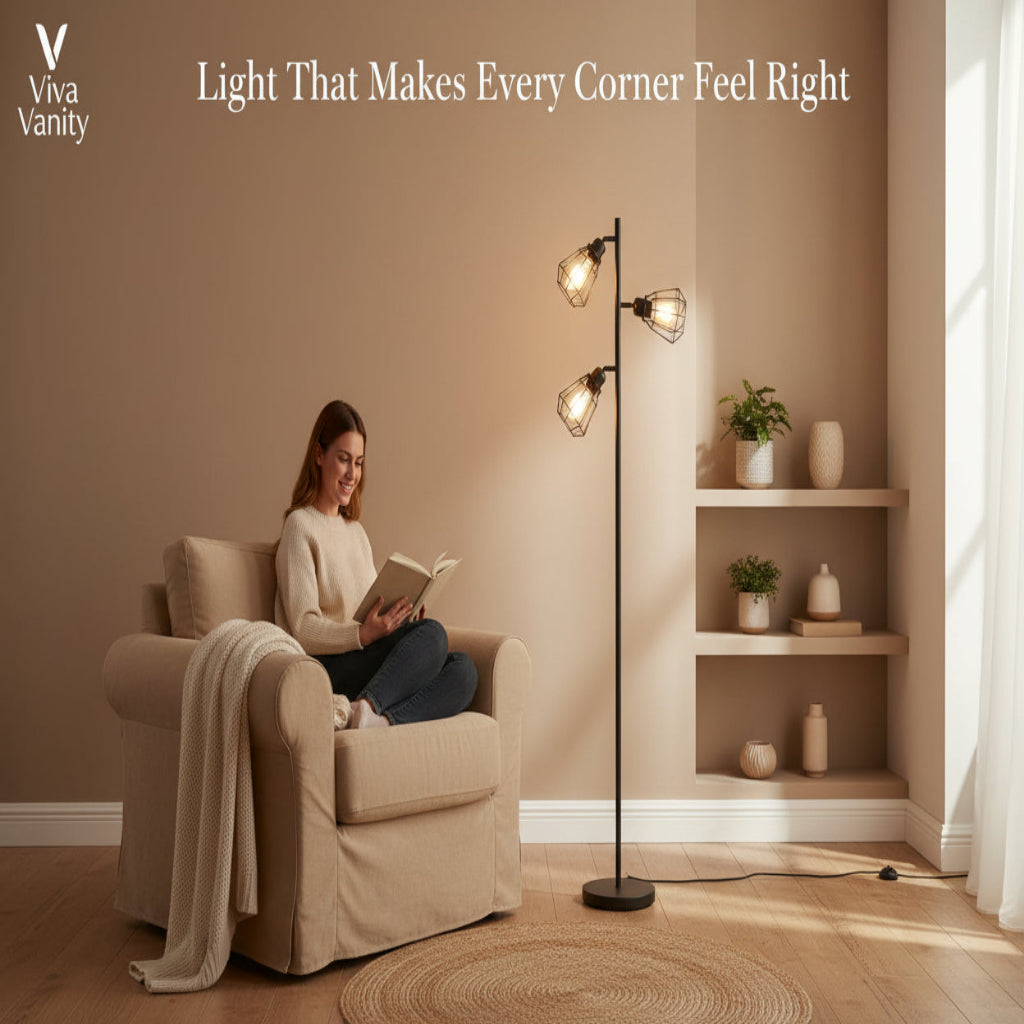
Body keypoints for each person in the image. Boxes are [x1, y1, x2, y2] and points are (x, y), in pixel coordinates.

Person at [274, 399, 478, 728]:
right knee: (434, 636)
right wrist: (363, 634)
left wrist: (400, 618)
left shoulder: (356, 532)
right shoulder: (300, 526)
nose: (352, 474)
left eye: (358, 462)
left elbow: (368, 607)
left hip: (363, 653)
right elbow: (302, 628)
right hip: (327, 666)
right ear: (318, 456)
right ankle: (369, 703)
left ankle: (374, 719)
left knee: (464, 670)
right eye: (343, 460)